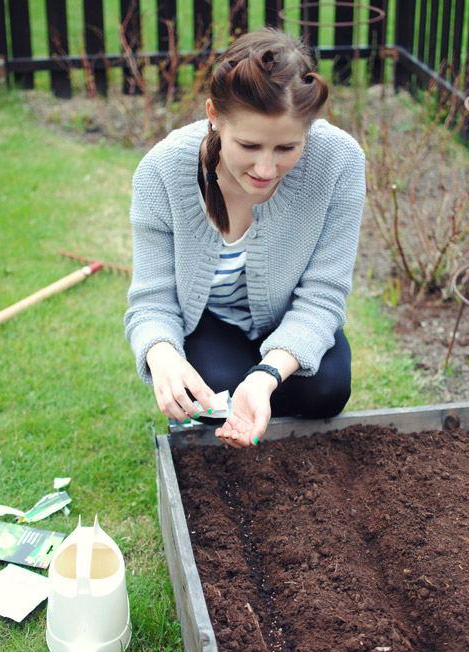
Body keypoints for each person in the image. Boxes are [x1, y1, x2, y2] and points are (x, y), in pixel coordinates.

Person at [124, 27, 366, 448]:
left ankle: (261, 394)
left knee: (326, 389)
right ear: (213, 115)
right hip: (210, 324)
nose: (266, 169)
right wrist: (161, 356)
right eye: (249, 145)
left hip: (288, 317)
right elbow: (152, 300)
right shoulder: (161, 171)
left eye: (287, 148)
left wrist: (267, 374)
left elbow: (323, 296)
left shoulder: (340, 162)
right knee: (211, 390)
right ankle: (239, 393)